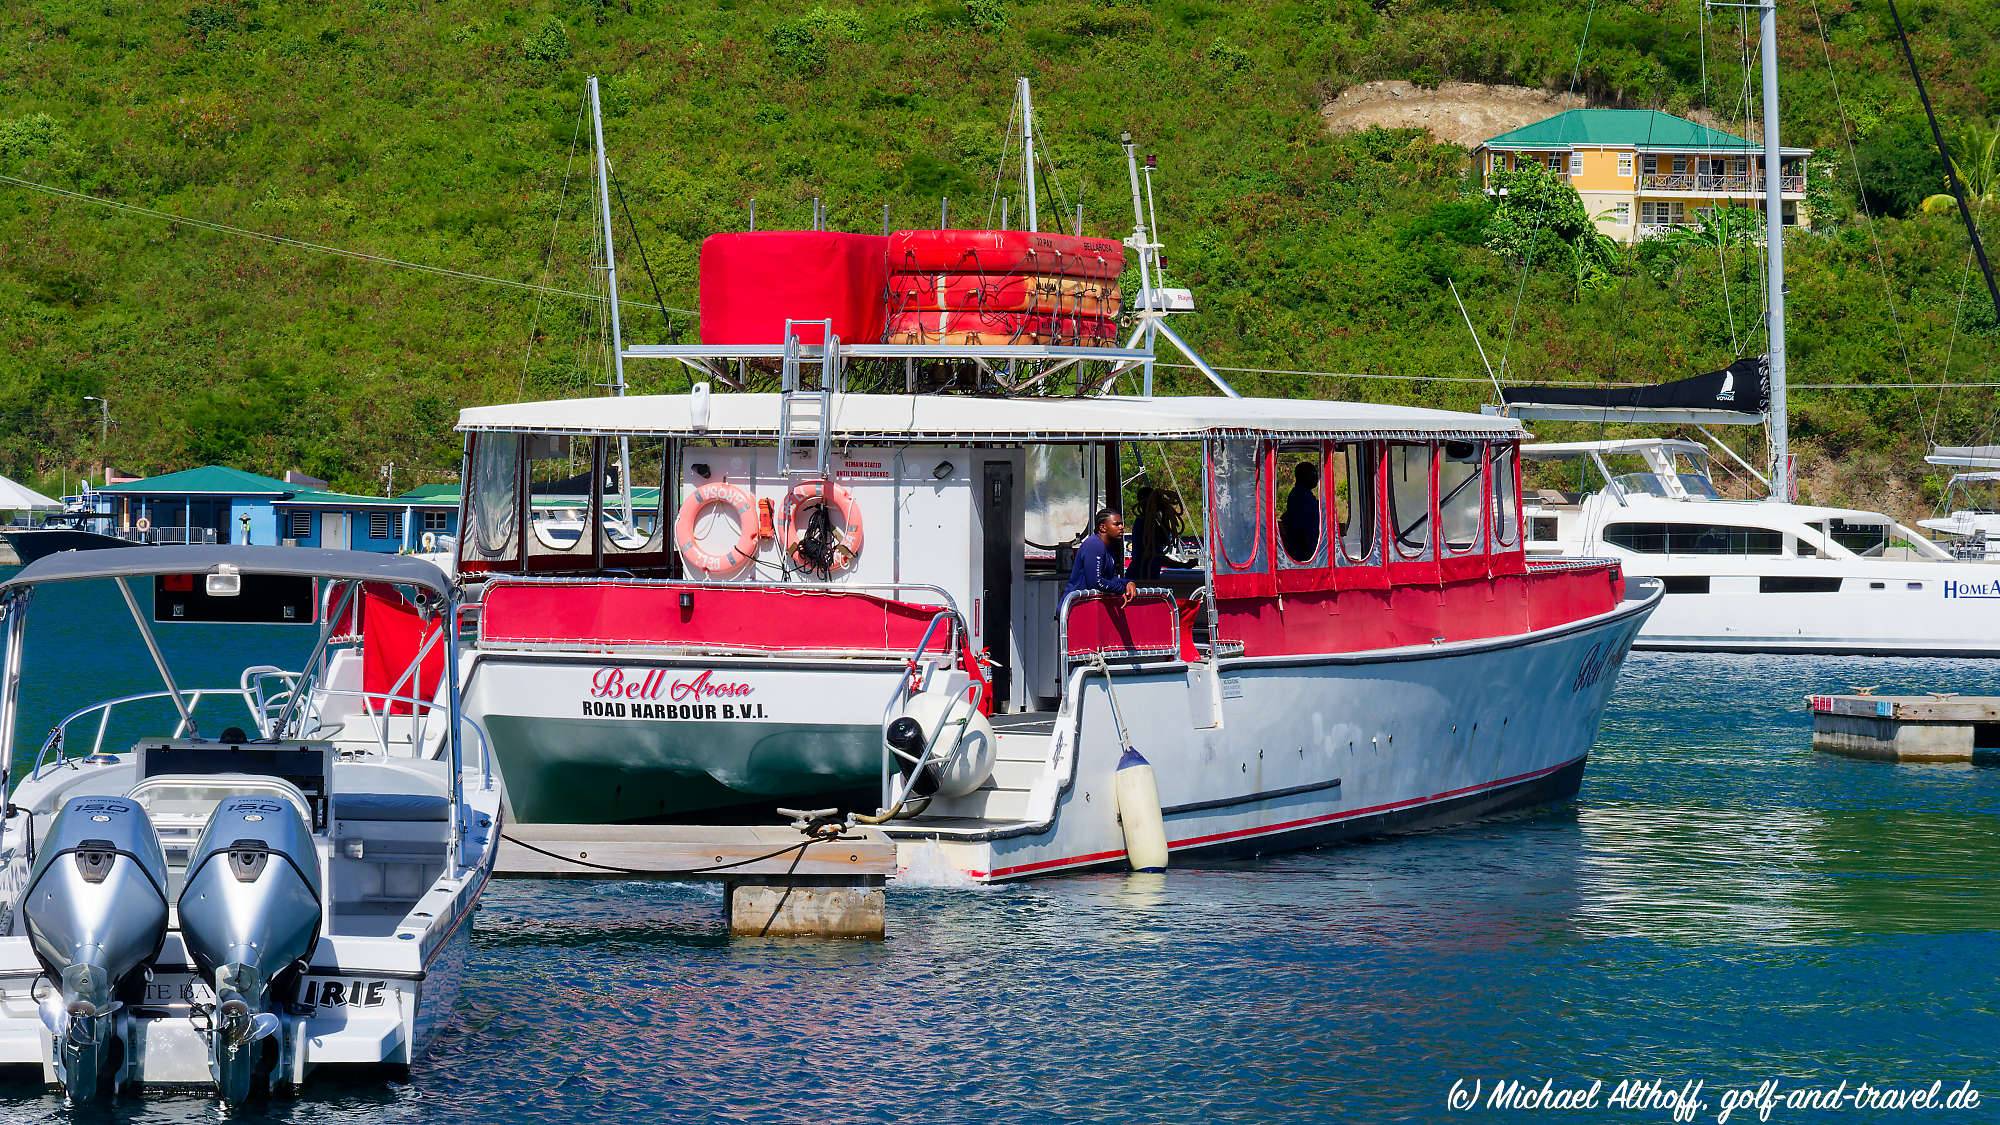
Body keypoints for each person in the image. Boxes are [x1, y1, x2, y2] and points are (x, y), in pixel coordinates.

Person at [1066, 507, 1134, 605]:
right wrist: (1121, 589)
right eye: (1116, 524)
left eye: (1122, 524)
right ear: (1102, 527)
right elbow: (1095, 583)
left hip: (1090, 607)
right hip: (1076, 607)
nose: (1121, 527)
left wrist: (1127, 583)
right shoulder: (1094, 545)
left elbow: (1110, 579)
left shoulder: (1109, 548)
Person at [1279, 461, 1321, 562]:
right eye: (1313, 474)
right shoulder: (1301, 496)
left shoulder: (1298, 494)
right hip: (1304, 548)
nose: (1316, 478)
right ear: (1304, 477)